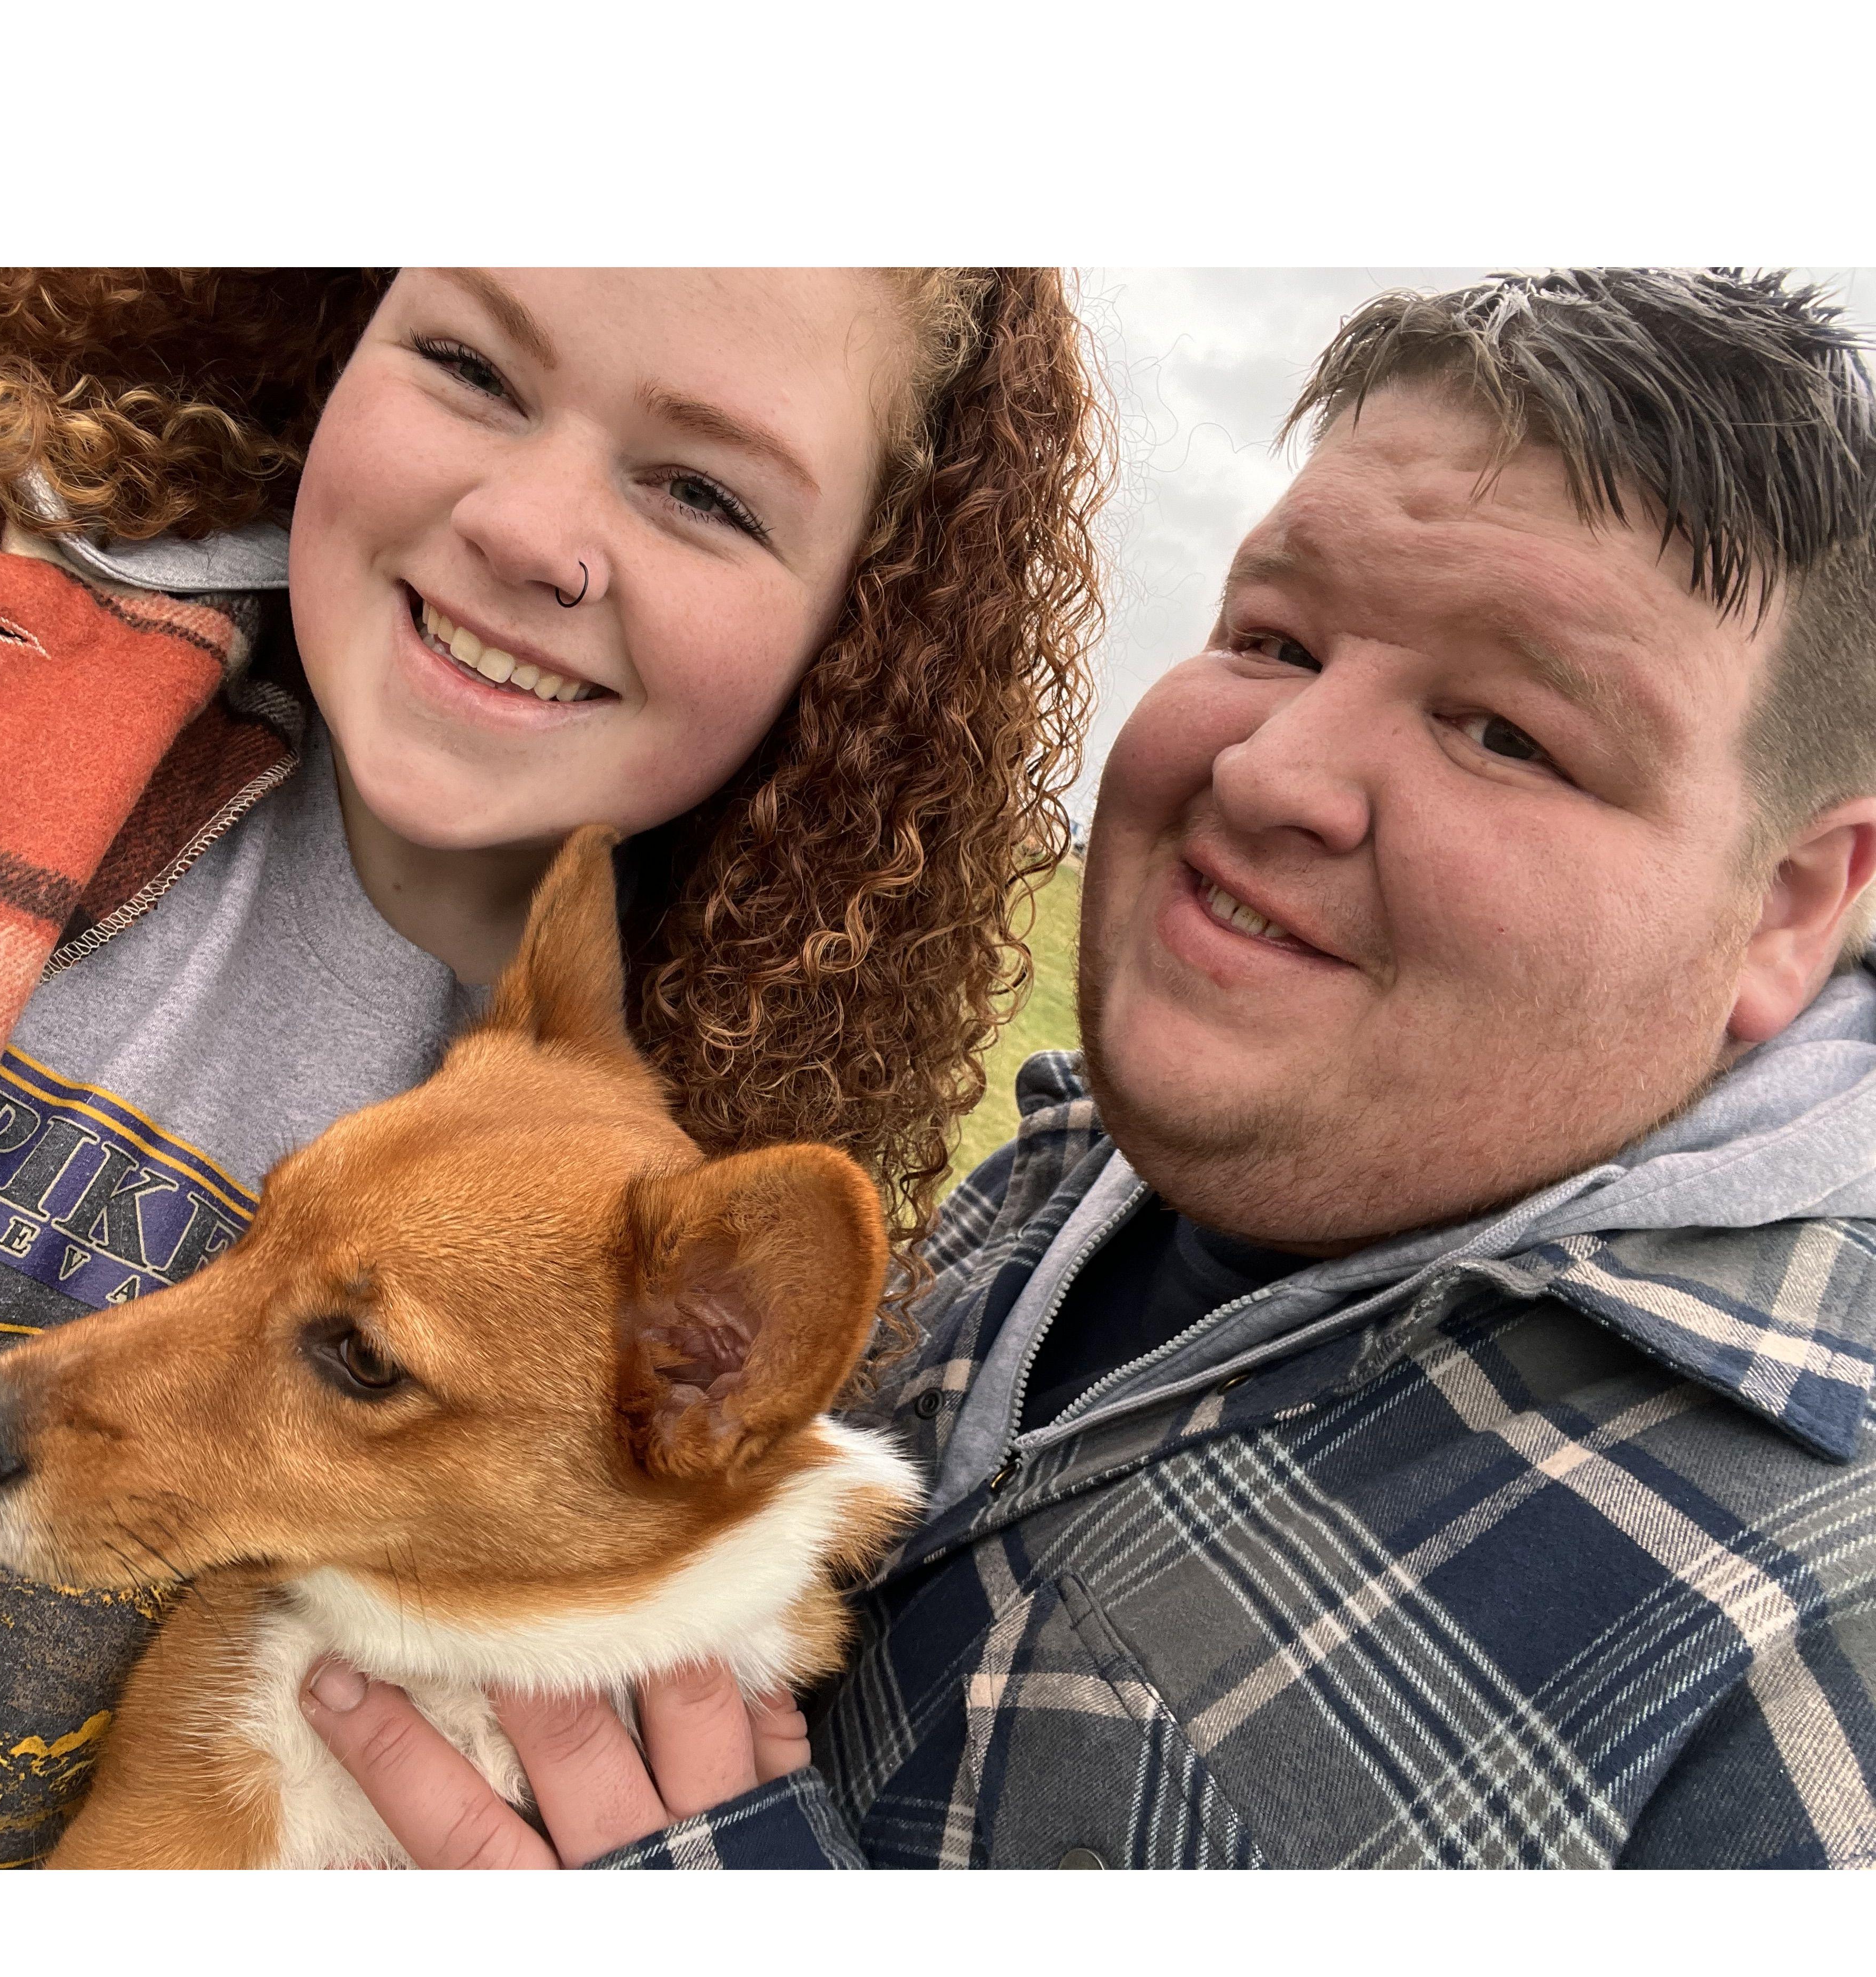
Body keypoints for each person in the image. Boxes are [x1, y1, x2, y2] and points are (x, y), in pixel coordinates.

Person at [303, 267, 1876, 1869]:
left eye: (1507, 734)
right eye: (1274, 638)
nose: (1271, 770)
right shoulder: (1051, 1188)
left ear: (1792, 905)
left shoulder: (1816, 1628)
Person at [0, 268, 1110, 1869]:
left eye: (703, 491)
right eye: (471, 363)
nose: (529, 531)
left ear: (867, 618)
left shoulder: (668, 1179)